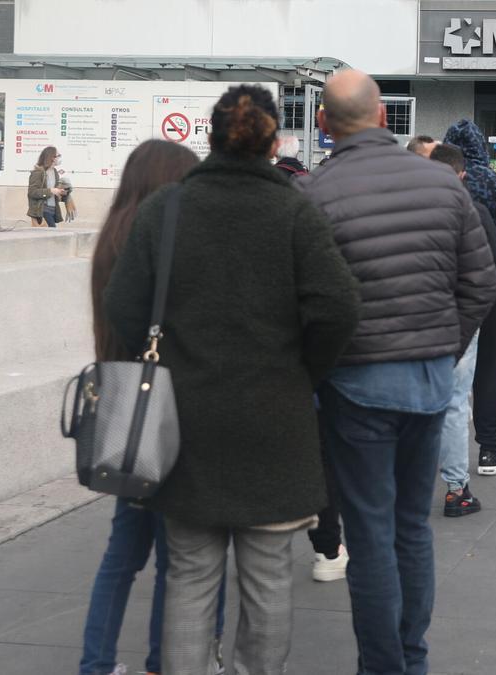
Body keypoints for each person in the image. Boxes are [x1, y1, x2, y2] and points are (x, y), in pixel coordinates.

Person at [104, 84, 361, 674]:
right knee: (268, 579)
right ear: (274, 144)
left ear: (210, 136)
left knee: (190, 576)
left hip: (183, 424)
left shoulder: (166, 210)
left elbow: (123, 304)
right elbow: (339, 307)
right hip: (275, 422)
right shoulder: (293, 211)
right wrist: (304, 369)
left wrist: (168, 353)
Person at [299, 70, 496, 675]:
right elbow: (481, 283)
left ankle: (384, 664)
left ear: (322, 123)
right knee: (411, 527)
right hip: (427, 382)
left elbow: (301, 303)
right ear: (385, 117)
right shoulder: (443, 184)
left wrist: (325, 367)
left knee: (369, 533)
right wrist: (440, 348)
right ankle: (412, 656)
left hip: (353, 386)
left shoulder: (313, 194)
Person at [82, 140, 230, 675]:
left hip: (124, 410)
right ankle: (168, 660)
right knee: (186, 557)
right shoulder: (166, 243)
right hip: (172, 414)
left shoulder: (110, 239)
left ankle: (96, 665)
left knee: (121, 557)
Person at [428, 142, 496, 516]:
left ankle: (410, 480)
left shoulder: (405, 207)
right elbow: (494, 266)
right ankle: (456, 487)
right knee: (455, 402)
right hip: (457, 315)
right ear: (461, 174)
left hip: (413, 316)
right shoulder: (471, 210)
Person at [443, 119, 496, 476]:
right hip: (491, 283)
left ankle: (440, 449)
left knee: (444, 367)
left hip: (446, 284)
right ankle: (490, 450)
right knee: (491, 367)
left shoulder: (436, 183)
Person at [27, 146, 67, 227]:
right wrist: (51, 191)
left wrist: (61, 193)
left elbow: (54, 191)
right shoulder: (38, 172)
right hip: (42, 210)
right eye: (58, 156)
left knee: (51, 233)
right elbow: (32, 192)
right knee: (52, 233)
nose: (59, 158)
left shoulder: (54, 172)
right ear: (51, 157)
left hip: (53, 210)